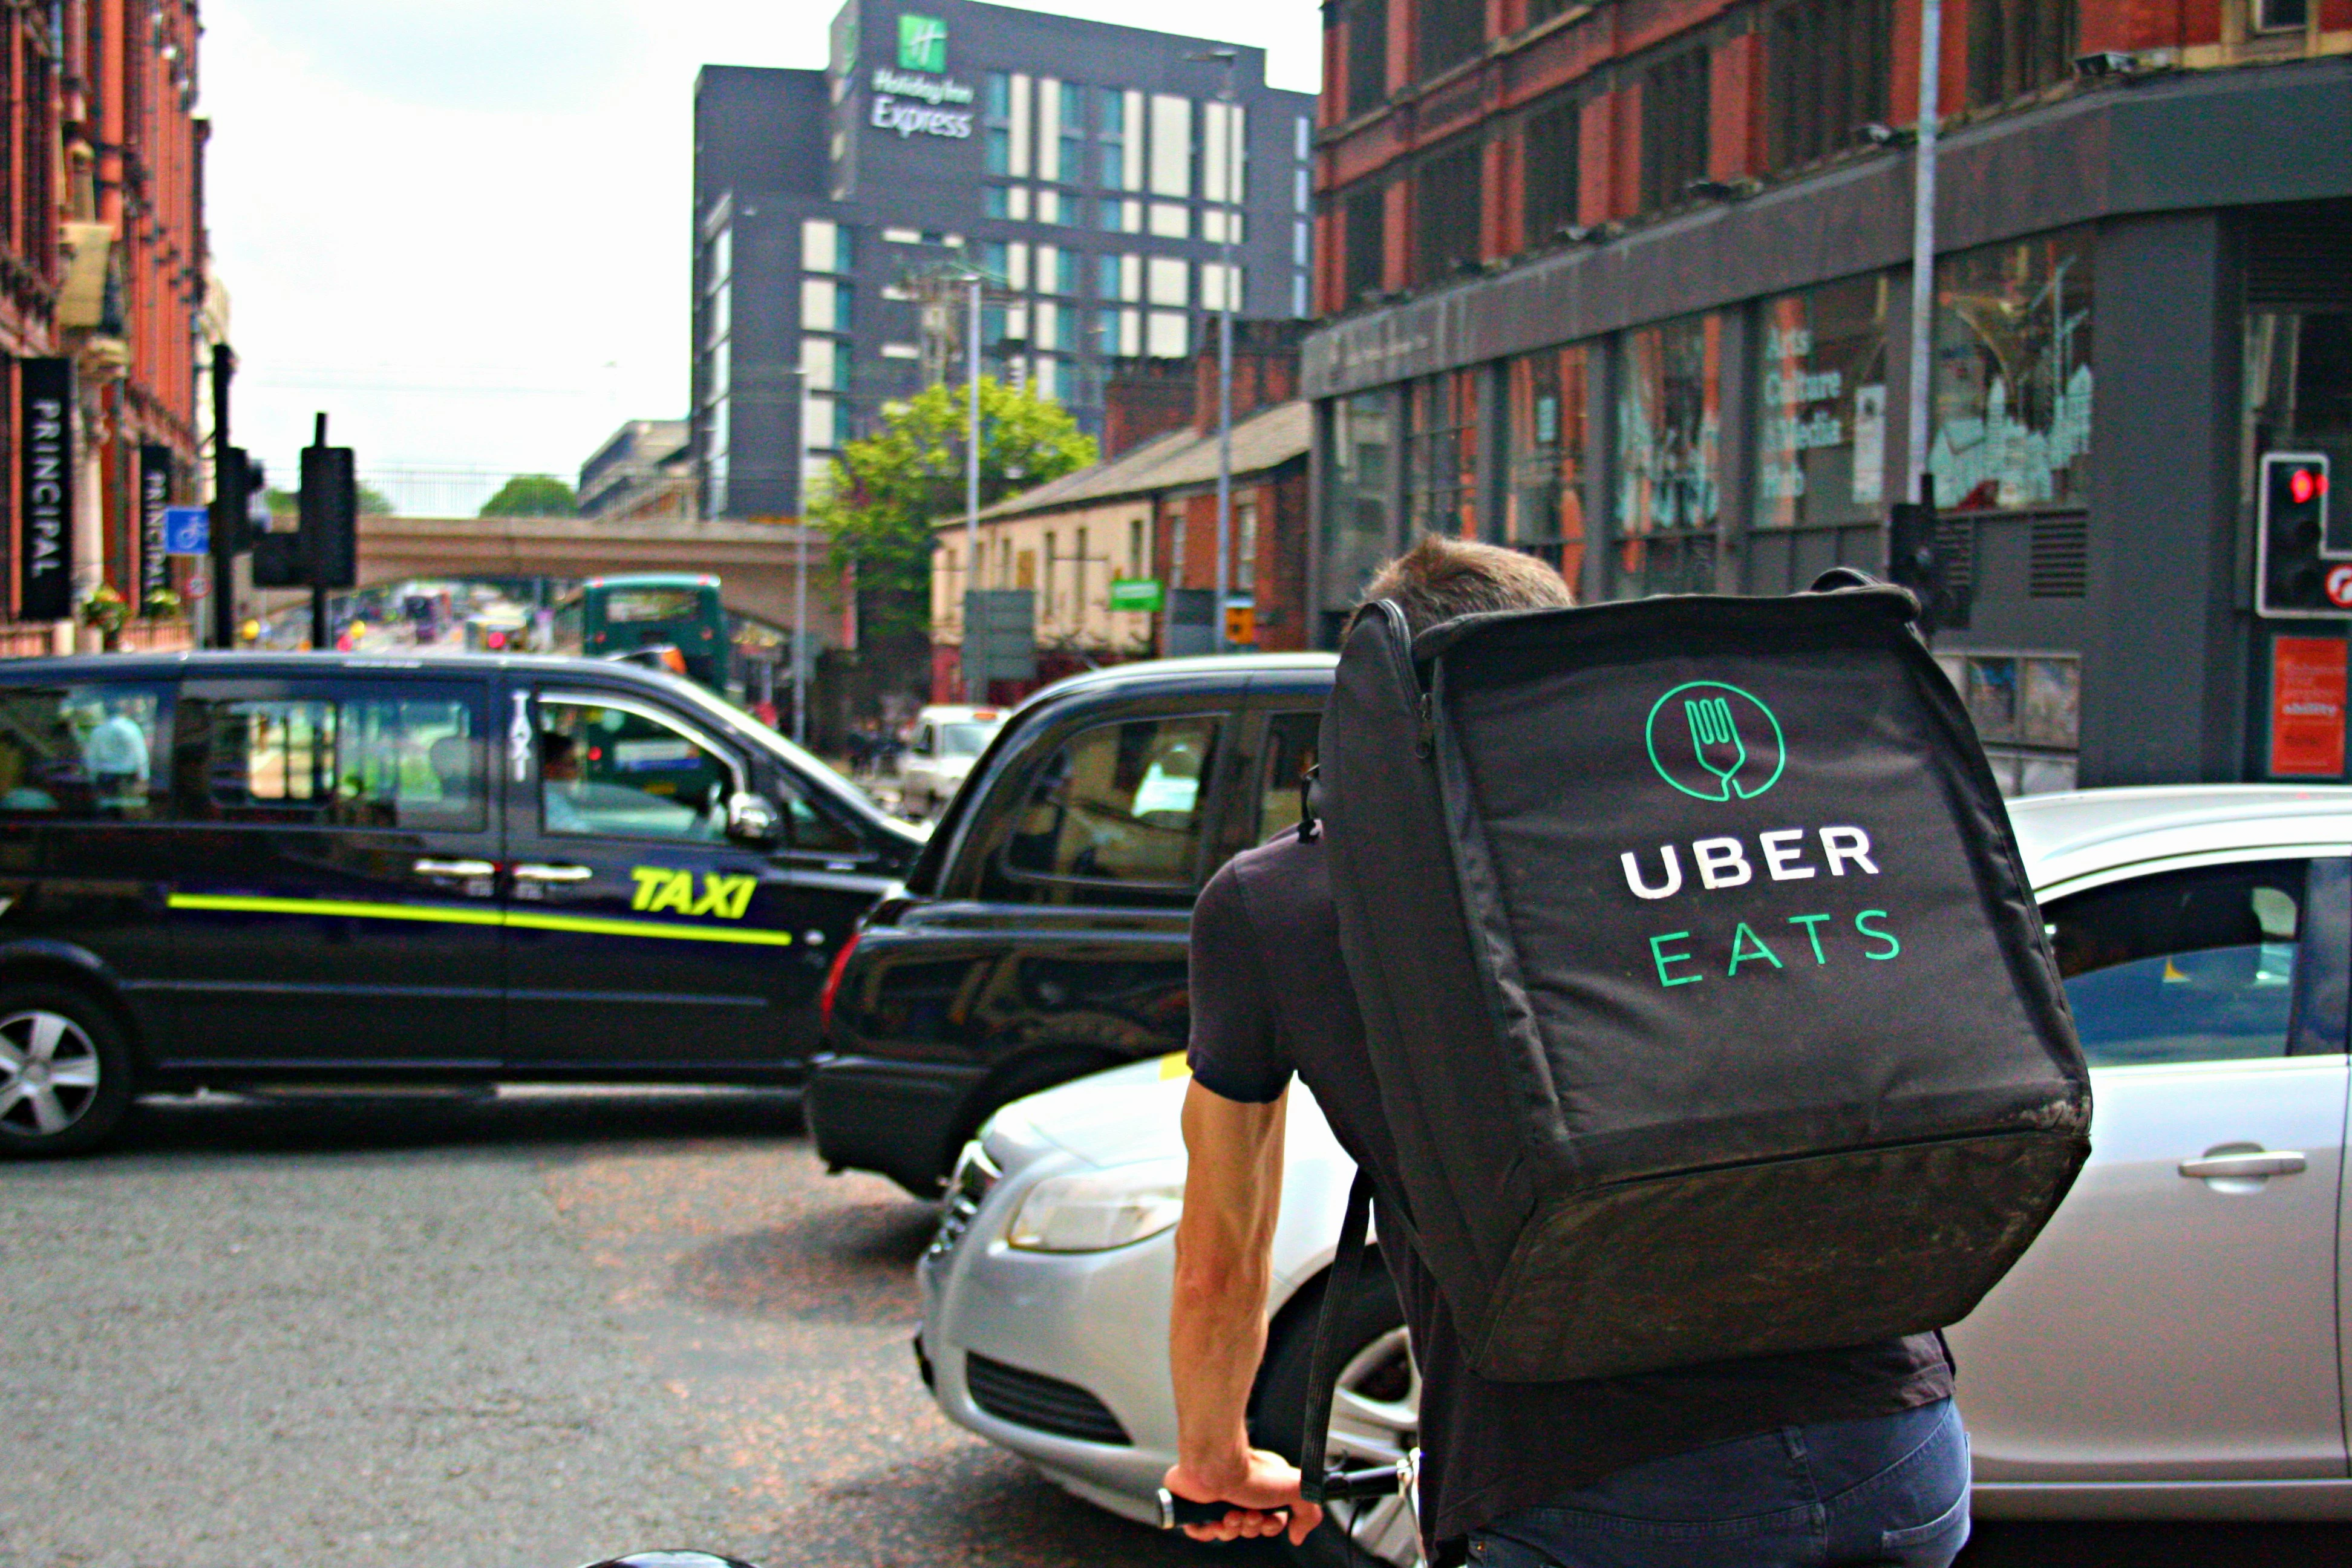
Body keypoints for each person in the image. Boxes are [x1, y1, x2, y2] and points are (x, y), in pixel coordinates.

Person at [1163, 535, 1968, 1568]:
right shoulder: (1713, 826)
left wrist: (1215, 1458)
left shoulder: (1277, 903)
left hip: (1585, 1486)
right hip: (1893, 1444)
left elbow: (1221, 1257)